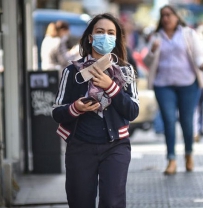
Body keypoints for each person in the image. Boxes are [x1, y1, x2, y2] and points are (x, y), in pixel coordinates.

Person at [51, 13, 139, 208]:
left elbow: (132, 111)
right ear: (90, 37)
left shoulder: (125, 71)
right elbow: (57, 112)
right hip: (80, 146)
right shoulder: (72, 72)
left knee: (112, 202)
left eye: (110, 33)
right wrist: (76, 108)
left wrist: (111, 87)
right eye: (100, 32)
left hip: (115, 146)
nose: (105, 36)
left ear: (115, 38)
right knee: (80, 202)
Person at [143, 5, 203, 175]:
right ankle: (171, 159)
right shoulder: (156, 37)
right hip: (163, 85)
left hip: (188, 84)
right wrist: (152, 51)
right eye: (163, 15)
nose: (166, 18)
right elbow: (148, 62)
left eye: (169, 15)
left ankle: (188, 154)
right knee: (169, 121)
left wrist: (202, 63)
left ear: (177, 17)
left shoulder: (188, 33)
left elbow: (198, 54)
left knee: (186, 121)